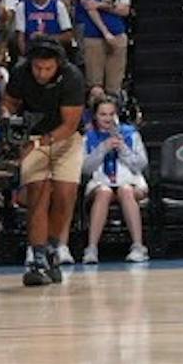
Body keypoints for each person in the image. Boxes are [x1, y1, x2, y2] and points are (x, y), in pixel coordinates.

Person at [1, 38, 86, 287]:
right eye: (38, 67)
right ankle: (38, 259)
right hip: (33, 136)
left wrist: (37, 145)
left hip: (66, 138)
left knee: (64, 195)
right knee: (38, 193)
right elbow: (9, 101)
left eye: (47, 69)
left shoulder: (72, 77)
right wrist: (7, 117)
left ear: (57, 65)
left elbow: (69, 124)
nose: (41, 73)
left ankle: (52, 247)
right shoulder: (20, 72)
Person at [80, 96, 149, 264]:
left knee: (125, 190)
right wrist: (102, 149)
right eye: (103, 114)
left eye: (111, 114)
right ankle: (91, 249)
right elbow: (85, 169)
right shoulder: (88, 137)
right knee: (104, 192)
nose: (108, 118)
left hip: (130, 181)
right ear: (95, 116)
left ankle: (138, 246)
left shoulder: (130, 134)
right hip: (100, 182)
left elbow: (141, 164)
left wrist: (123, 149)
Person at [76, 0, 132, 97]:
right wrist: (105, 32)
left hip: (118, 34)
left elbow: (125, 9)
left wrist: (101, 5)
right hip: (93, 35)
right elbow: (89, 7)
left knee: (114, 85)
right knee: (95, 85)